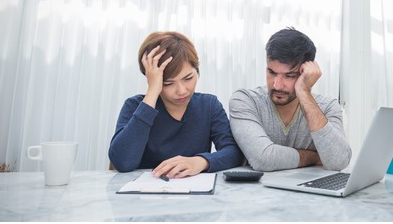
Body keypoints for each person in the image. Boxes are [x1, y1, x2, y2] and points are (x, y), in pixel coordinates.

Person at [109, 31, 244, 178]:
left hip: (194, 193)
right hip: (144, 194)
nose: (182, 91)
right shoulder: (135, 106)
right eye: (168, 83)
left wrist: (200, 162)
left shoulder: (209, 105)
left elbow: (234, 152)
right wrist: (153, 92)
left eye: (188, 78)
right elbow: (122, 162)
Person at [229, 27, 351, 172]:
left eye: (289, 76)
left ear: (305, 73)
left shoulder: (328, 107)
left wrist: (304, 91)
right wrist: (314, 157)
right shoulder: (245, 101)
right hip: (257, 193)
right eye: (272, 72)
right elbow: (263, 159)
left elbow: (339, 161)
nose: (277, 85)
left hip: (311, 193)